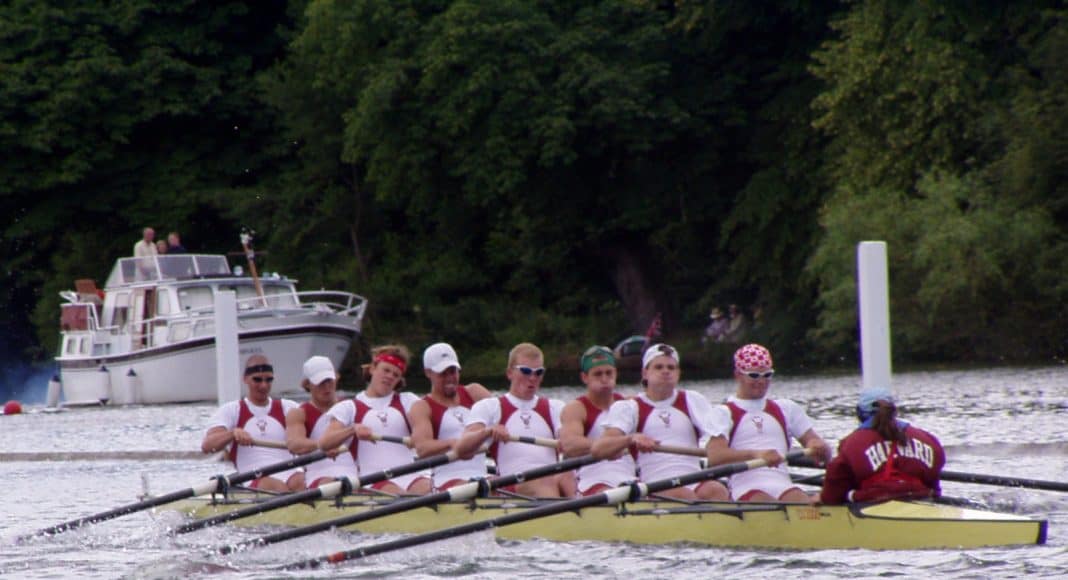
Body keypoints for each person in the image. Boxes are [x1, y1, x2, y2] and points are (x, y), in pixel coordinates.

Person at [592, 343, 729, 500]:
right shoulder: (630, 408)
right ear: (645, 373)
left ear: (678, 373)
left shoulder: (693, 400)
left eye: (671, 368)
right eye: (658, 367)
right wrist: (630, 438)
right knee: (683, 495)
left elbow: (720, 440)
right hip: (655, 484)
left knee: (717, 490)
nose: (665, 371)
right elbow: (598, 449)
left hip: (694, 479)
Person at [706, 344, 831, 502]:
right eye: (754, 375)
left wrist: (818, 445)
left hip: (783, 486)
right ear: (738, 375)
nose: (762, 381)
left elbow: (822, 452)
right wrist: (756, 454)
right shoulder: (723, 412)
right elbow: (715, 457)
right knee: (764, 501)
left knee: (801, 501)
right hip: (746, 489)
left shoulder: (786, 408)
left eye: (767, 374)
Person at [454, 342, 575, 497]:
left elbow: (570, 438)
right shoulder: (489, 407)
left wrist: (569, 442)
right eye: (525, 371)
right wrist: (487, 431)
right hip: (511, 487)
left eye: (538, 372)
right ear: (509, 373)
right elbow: (461, 449)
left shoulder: (556, 407)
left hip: (550, 480)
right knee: (544, 481)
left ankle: (590, 515)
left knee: (569, 476)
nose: (532, 378)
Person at [319, 344, 430, 495]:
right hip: (373, 480)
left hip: (411, 476)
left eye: (396, 374)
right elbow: (325, 443)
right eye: (386, 370)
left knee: (431, 489)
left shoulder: (408, 401)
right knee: (400, 495)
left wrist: (419, 436)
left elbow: (422, 425)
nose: (390, 376)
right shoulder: (348, 407)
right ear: (372, 369)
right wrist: (352, 429)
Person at [820, 387, 945, 504]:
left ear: (859, 413)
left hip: (874, 506)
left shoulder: (850, 443)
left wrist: (823, 499)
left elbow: (832, 495)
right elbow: (935, 486)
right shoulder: (929, 439)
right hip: (922, 501)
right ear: (894, 411)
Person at [200, 355, 304, 492]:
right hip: (253, 477)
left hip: (290, 473)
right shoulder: (231, 410)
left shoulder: (288, 407)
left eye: (268, 380)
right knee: (274, 486)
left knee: (305, 482)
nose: (264, 385)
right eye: (257, 380)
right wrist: (232, 433)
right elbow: (208, 446)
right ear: (245, 379)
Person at [408, 343, 493, 490]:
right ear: (428, 373)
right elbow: (422, 448)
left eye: (453, 371)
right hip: (446, 481)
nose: (450, 379)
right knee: (477, 488)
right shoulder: (422, 407)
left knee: (516, 486)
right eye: (443, 373)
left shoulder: (475, 393)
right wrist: (453, 444)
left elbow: (506, 417)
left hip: (482, 476)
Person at [559, 346, 637, 496]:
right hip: (593, 481)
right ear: (584, 377)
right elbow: (569, 445)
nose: (604, 379)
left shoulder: (631, 404)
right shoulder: (576, 408)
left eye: (609, 373)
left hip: (631, 478)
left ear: (616, 373)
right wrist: (608, 447)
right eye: (598, 374)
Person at [285, 356, 358, 489]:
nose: (327, 387)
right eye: (320, 383)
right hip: (319, 477)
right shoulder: (299, 413)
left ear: (336, 377)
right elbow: (294, 444)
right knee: (336, 485)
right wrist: (323, 445)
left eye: (329, 381)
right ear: (307, 384)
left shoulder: (352, 406)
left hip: (356, 475)